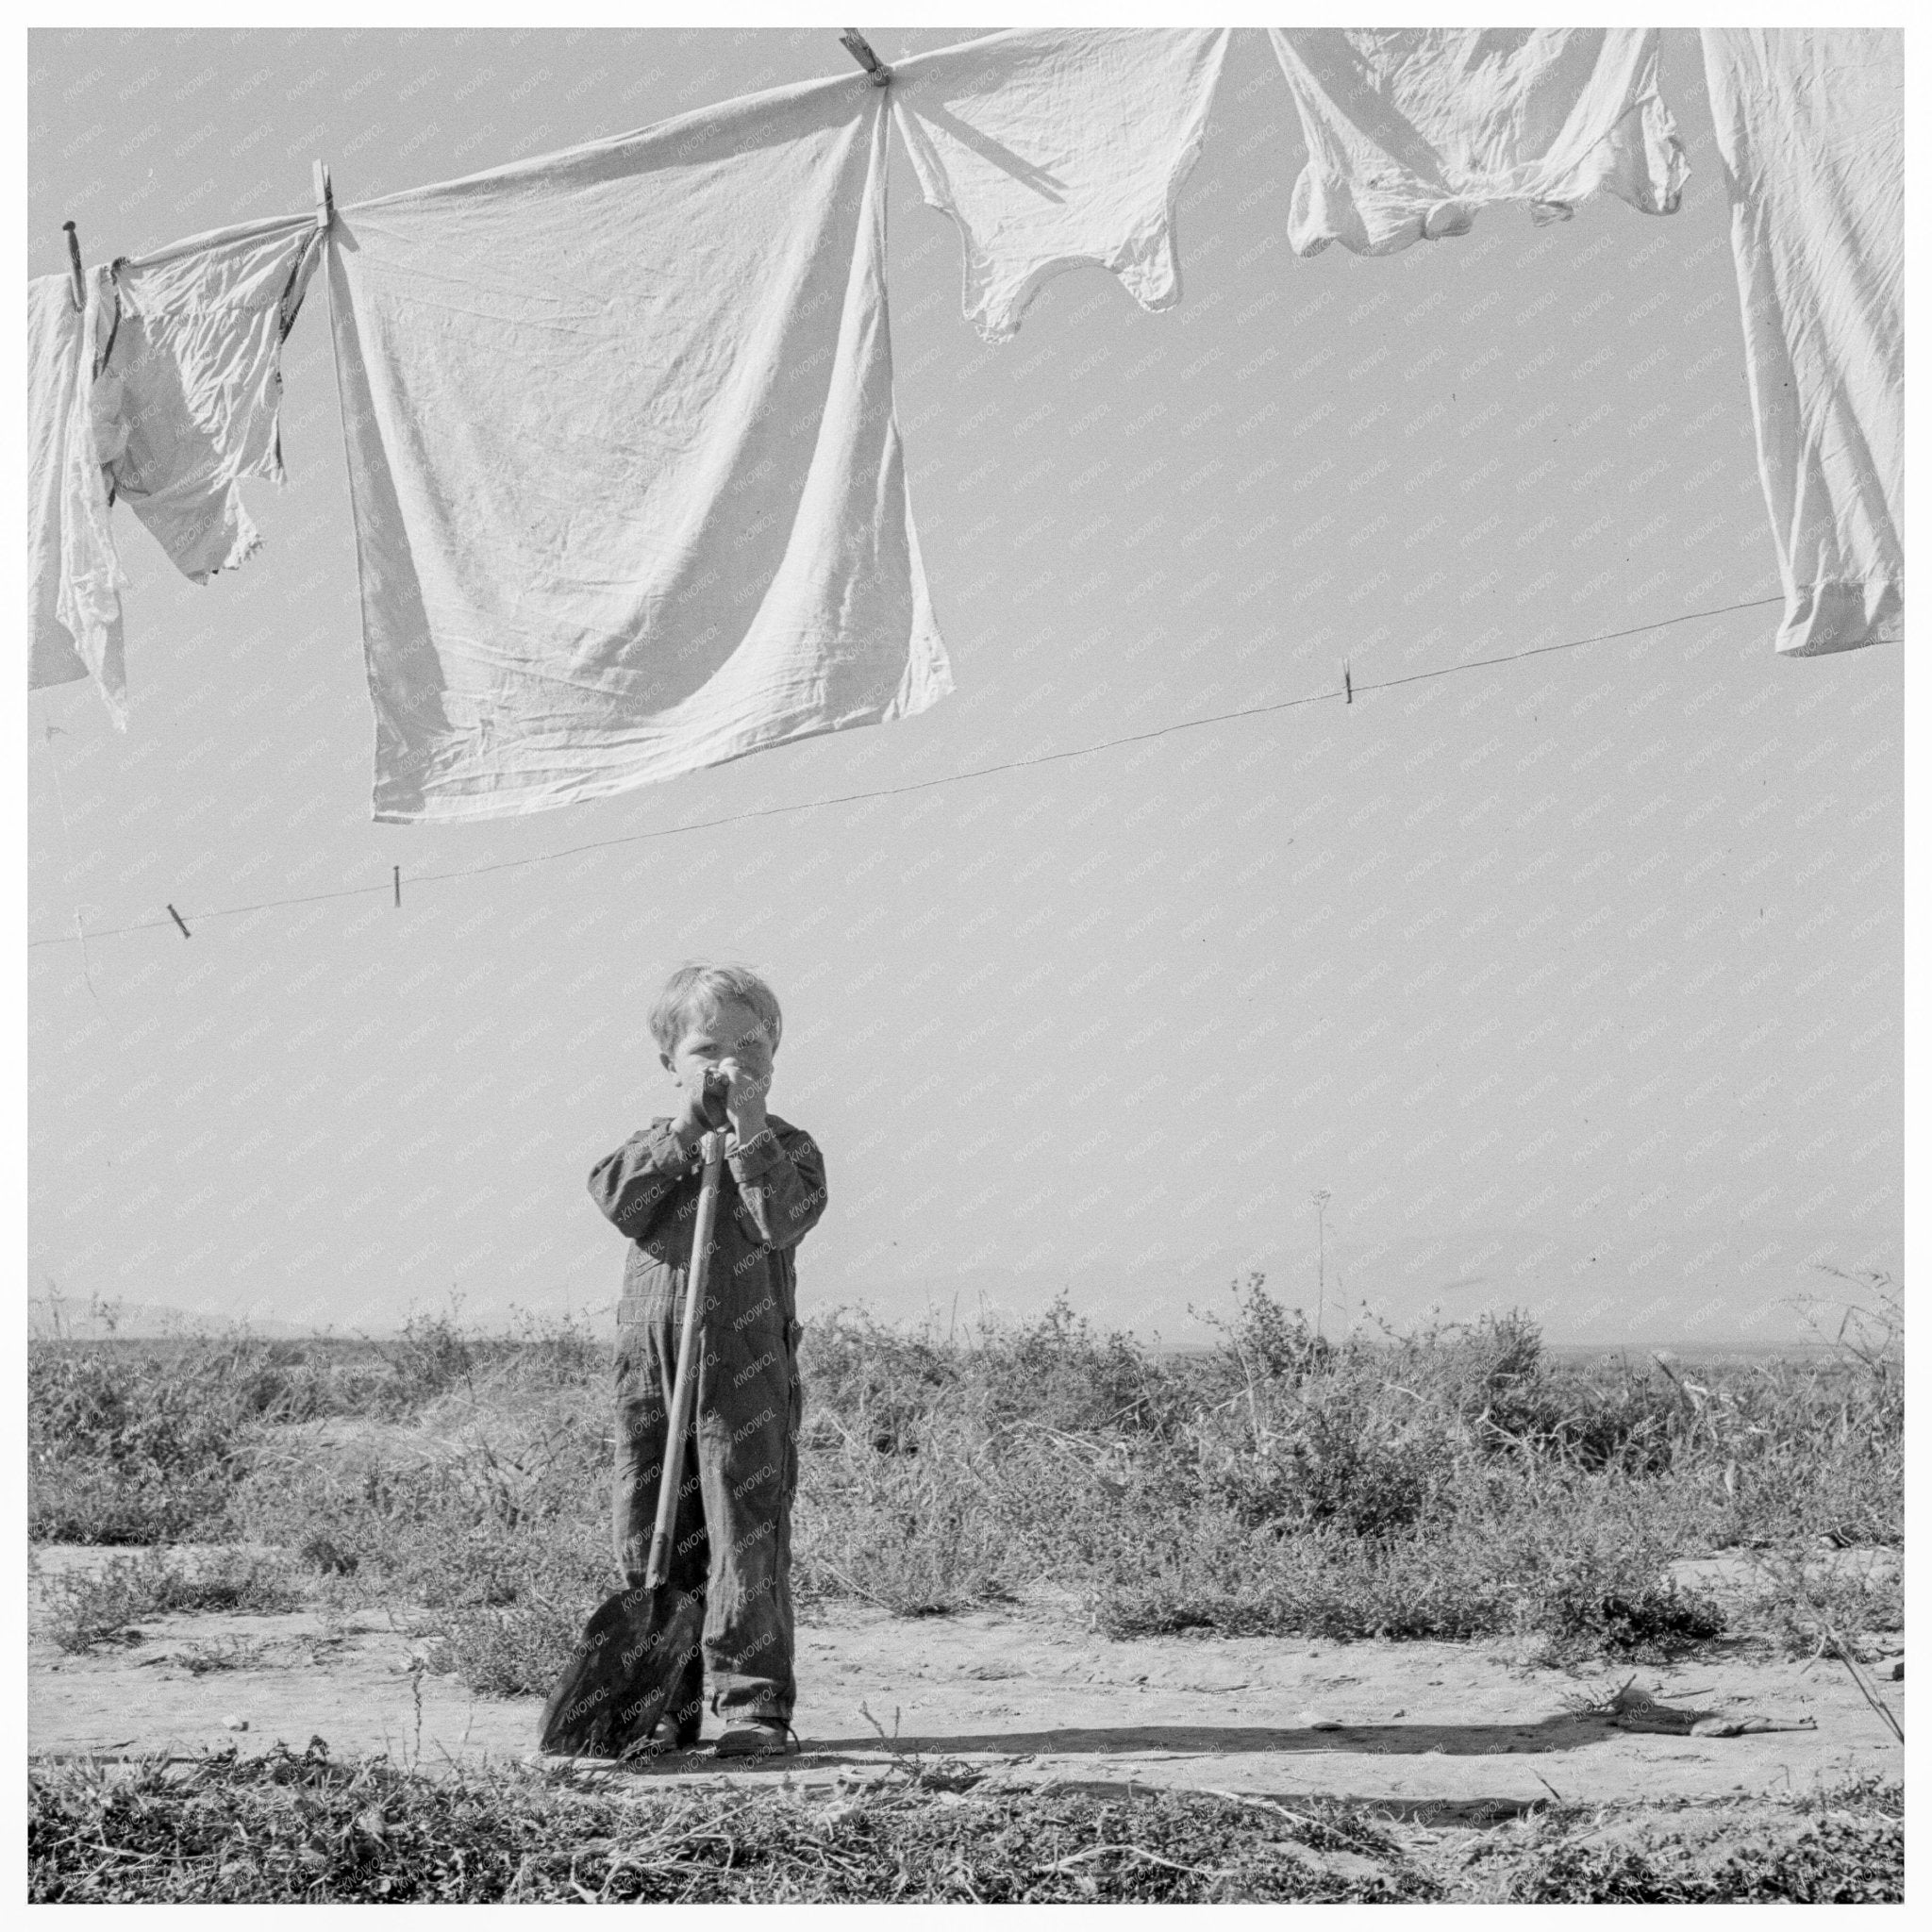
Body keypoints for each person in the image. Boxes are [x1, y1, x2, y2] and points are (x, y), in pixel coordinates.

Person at [587, 964, 826, 1758]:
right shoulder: (651, 1148)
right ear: (669, 1064)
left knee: (743, 1529)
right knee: (651, 1533)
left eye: (752, 1046)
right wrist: (689, 1133)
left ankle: (753, 1704)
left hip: (744, 1372)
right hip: (651, 1377)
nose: (731, 1064)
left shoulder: (788, 1147)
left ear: (776, 1059)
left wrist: (749, 1136)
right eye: (708, 1048)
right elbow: (620, 1201)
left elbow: (784, 1220)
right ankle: (659, 1701)